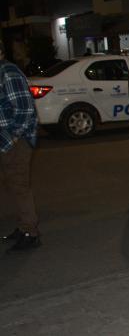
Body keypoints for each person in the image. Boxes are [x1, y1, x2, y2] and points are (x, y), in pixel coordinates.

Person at [0, 42, 40, 252]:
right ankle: (23, 226)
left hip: (15, 142)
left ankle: (30, 232)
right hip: (6, 141)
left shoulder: (8, 72)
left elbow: (24, 110)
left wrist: (13, 139)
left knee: (19, 186)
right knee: (12, 187)